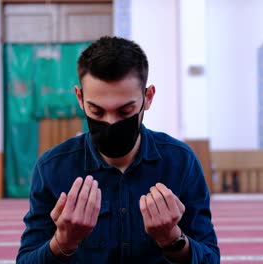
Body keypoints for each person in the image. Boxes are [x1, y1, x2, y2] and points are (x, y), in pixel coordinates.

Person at [16, 36, 220, 263]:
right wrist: (63, 242)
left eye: (125, 111)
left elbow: (210, 258)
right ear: (80, 98)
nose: (111, 122)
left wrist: (172, 239)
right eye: (97, 111)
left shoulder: (181, 162)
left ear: (148, 97)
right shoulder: (52, 168)